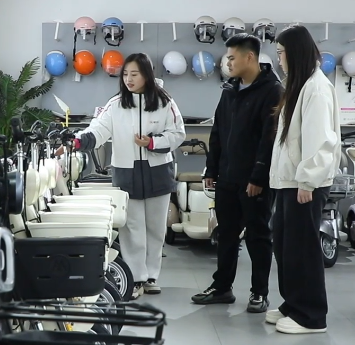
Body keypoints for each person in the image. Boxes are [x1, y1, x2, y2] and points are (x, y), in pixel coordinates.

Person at [58, 53, 186, 297]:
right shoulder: (116, 104)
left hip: (158, 172)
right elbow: (97, 130)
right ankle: (136, 278)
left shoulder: (165, 102)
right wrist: (76, 142)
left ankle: (151, 276)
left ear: (146, 75)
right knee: (132, 228)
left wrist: (152, 143)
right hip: (127, 172)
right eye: (126, 74)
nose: (129, 79)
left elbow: (178, 134)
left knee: (156, 228)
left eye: (134, 74)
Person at [193, 33, 283, 311]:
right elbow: (218, 131)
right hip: (227, 178)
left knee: (258, 236)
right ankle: (222, 287)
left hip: (255, 181)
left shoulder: (272, 91)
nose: (228, 63)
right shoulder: (229, 89)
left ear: (249, 57)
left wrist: (258, 177)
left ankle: (259, 293)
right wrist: (212, 168)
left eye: (232, 58)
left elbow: (269, 138)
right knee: (226, 234)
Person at [266, 25, 341, 335]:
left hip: (304, 184)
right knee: (285, 245)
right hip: (290, 180)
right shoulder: (299, 85)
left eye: (281, 53)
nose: (279, 59)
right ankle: (293, 304)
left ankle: (311, 316)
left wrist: (307, 182)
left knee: (302, 249)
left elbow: (320, 141)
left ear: (294, 53)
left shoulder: (316, 89)